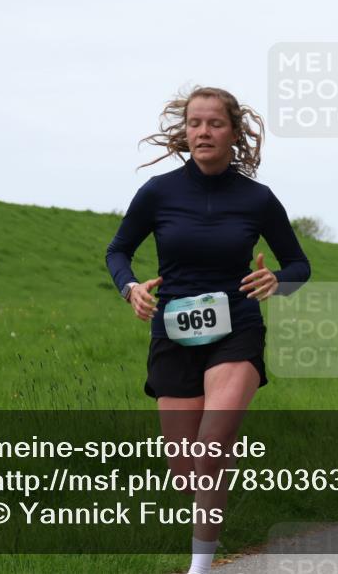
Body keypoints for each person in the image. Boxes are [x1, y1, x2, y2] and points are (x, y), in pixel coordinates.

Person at [106, 86, 310, 574]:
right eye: (195, 123)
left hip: (236, 329)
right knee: (185, 472)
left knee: (212, 447)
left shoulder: (257, 199)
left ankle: (200, 569)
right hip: (173, 334)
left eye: (214, 123)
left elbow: (299, 265)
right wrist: (130, 288)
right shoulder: (158, 192)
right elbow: (117, 251)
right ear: (185, 132)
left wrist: (275, 281)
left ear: (233, 133)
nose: (203, 132)